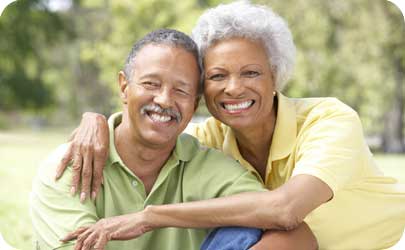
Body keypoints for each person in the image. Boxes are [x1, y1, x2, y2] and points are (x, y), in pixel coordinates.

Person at [55, 1, 405, 249]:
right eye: (218, 75)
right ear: (201, 88)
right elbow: (146, 129)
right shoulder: (208, 138)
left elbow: (284, 210)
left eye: (251, 73)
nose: (234, 88)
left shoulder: (328, 119)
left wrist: (150, 217)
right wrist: (96, 120)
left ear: (275, 77)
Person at [30, 28, 275, 250]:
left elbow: (276, 215)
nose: (165, 100)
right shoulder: (70, 165)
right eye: (151, 84)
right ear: (124, 87)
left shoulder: (206, 164)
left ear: (194, 103)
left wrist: (150, 218)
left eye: (181, 90)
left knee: (246, 224)